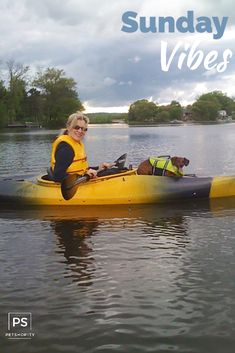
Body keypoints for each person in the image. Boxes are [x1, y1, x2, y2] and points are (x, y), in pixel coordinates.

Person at [50, 111, 111, 182]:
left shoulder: (76, 143)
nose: (80, 131)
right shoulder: (66, 148)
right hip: (66, 187)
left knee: (113, 171)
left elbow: (81, 169)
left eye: (83, 129)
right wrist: (83, 176)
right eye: (76, 127)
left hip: (77, 180)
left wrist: (98, 167)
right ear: (68, 127)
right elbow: (58, 176)